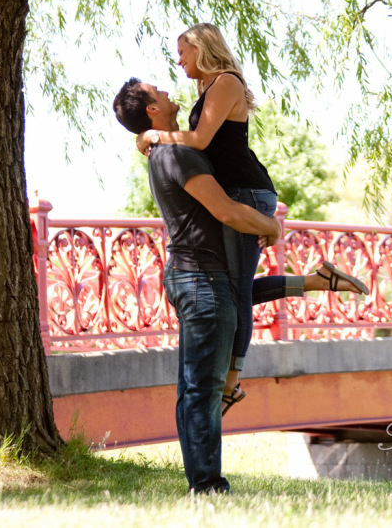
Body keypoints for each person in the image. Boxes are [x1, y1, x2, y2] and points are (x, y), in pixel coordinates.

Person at [113, 78, 367, 493]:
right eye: (156, 90)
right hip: (200, 279)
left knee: (198, 383)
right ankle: (207, 486)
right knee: (201, 389)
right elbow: (227, 211)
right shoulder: (177, 154)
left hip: (195, 277)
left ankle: (204, 480)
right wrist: (271, 225)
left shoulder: (165, 151)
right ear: (153, 110)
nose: (166, 88)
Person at [136, 23, 369, 413]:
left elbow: (200, 142)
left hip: (247, 191)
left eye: (182, 52)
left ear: (201, 47)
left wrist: (152, 136)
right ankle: (318, 280)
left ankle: (231, 382)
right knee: (231, 290)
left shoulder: (225, 81)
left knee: (237, 291)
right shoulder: (205, 88)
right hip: (238, 192)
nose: (178, 61)